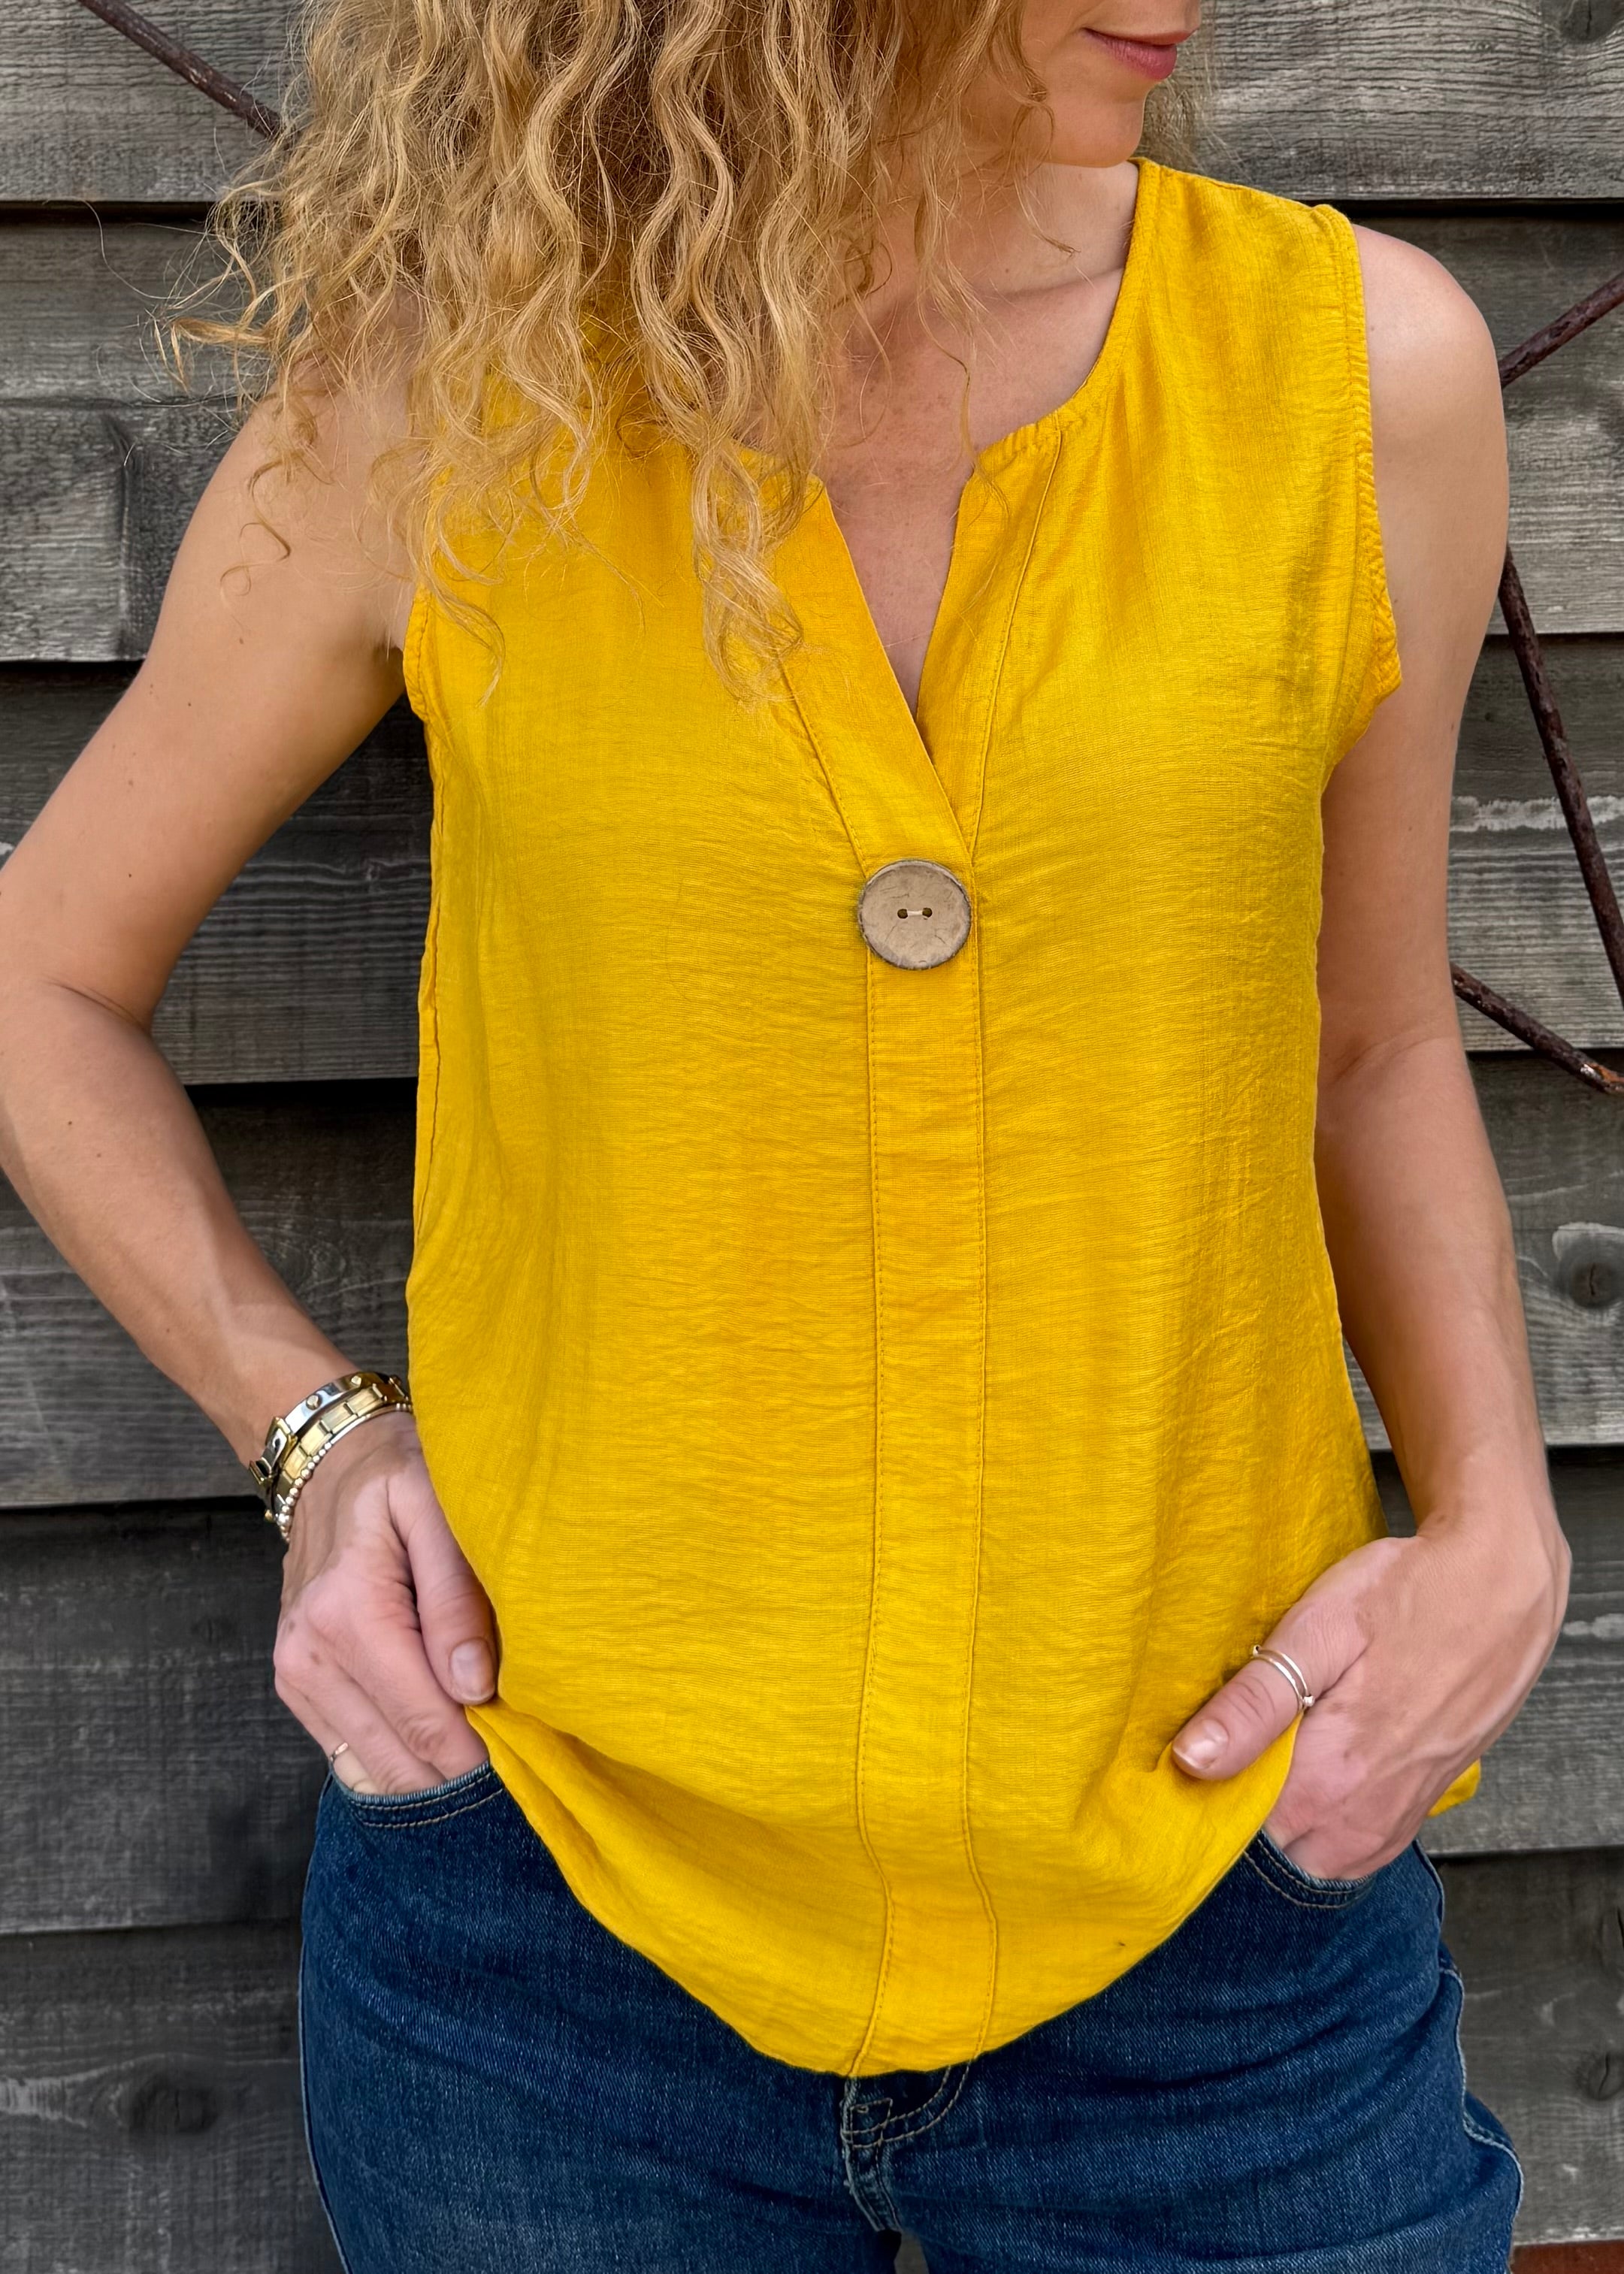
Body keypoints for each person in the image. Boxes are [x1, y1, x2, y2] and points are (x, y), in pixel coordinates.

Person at [0, 2, 1569, 2267]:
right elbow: (42, 980)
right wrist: (317, 1432)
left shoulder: (1350, 370)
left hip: (1219, 1901)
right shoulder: (461, 403)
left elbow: (1367, 1042)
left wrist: (1501, 1523)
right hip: (552, 1925)